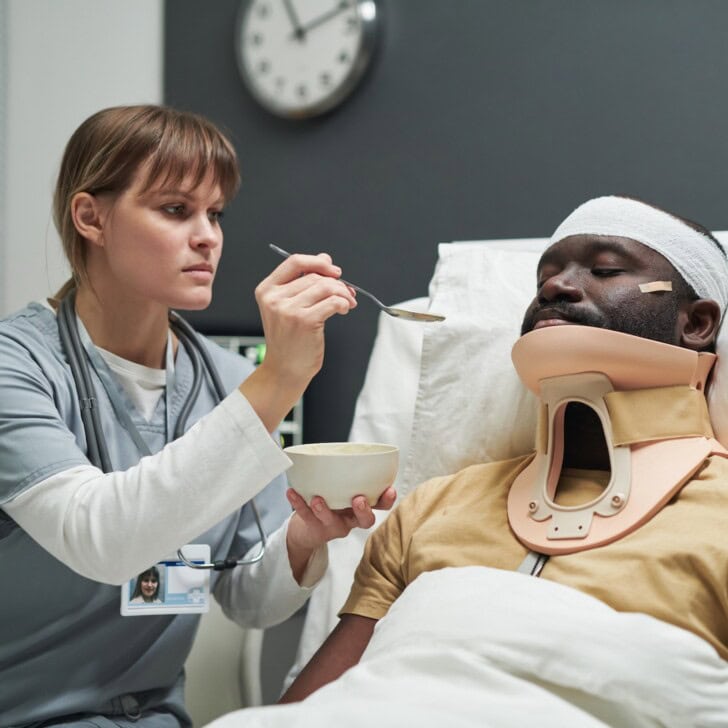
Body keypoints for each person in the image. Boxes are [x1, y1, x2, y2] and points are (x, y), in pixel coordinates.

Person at [0, 104, 395, 727]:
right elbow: (102, 540)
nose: (208, 235)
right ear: (90, 217)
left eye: (215, 213)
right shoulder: (16, 367)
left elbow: (246, 595)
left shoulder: (228, 383)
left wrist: (307, 537)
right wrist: (279, 378)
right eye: (175, 210)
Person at [270, 195, 728, 716]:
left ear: (697, 324)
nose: (556, 286)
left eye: (605, 269)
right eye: (544, 281)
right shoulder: (433, 507)